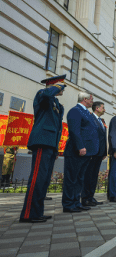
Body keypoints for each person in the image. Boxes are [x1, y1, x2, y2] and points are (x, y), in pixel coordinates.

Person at [19, 75, 66, 223]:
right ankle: (28, 214)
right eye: (60, 85)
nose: (63, 88)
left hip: (51, 143)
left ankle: (37, 212)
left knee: (44, 180)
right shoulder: (42, 94)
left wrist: (56, 147)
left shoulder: (57, 103)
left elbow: (58, 127)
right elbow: (46, 94)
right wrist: (56, 86)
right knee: (37, 178)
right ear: (52, 85)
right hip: (42, 141)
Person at [62, 93, 99, 212]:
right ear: (85, 99)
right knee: (71, 178)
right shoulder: (75, 111)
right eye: (91, 99)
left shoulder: (86, 113)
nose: (92, 102)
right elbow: (74, 131)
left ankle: (76, 202)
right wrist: (80, 146)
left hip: (86, 152)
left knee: (79, 179)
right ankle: (68, 204)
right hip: (76, 151)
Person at [81, 101, 107, 207]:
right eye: (103, 107)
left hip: (99, 153)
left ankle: (91, 197)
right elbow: (89, 136)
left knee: (94, 176)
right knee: (88, 175)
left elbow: (103, 138)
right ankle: (85, 198)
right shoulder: (91, 119)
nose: (104, 109)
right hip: (92, 152)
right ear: (97, 108)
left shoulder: (101, 121)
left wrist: (104, 152)